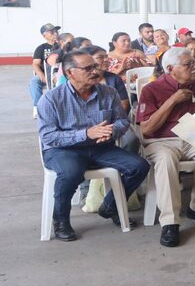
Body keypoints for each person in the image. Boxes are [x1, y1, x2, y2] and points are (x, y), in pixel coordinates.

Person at [37, 50, 149, 241]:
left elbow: (122, 121)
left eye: (95, 66)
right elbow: (48, 136)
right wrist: (86, 133)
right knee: (71, 173)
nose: (95, 71)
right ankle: (60, 219)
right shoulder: (51, 99)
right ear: (70, 72)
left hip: (100, 148)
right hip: (63, 150)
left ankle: (110, 206)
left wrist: (111, 131)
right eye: (88, 68)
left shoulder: (108, 92)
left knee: (139, 166)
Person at [137, 48, 195, 247]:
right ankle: (170, 222)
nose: (194, 67)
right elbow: (147, 129)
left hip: (194, 138)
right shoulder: (151, 89)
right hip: (161, 141)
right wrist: (172, 101)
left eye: (194, 62)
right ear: (170, 69)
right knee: (166, 160)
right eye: (188, 64)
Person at [30, 23, 61, 118]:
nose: (55, 33)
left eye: (56, 31)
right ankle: (38, 107)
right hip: (46, 74)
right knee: (34, 82)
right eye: (52, 32)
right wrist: (41, 75)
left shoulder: (62, 45)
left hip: (60, 73)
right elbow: (35, 64)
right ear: (44, 36)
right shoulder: (41, 48)